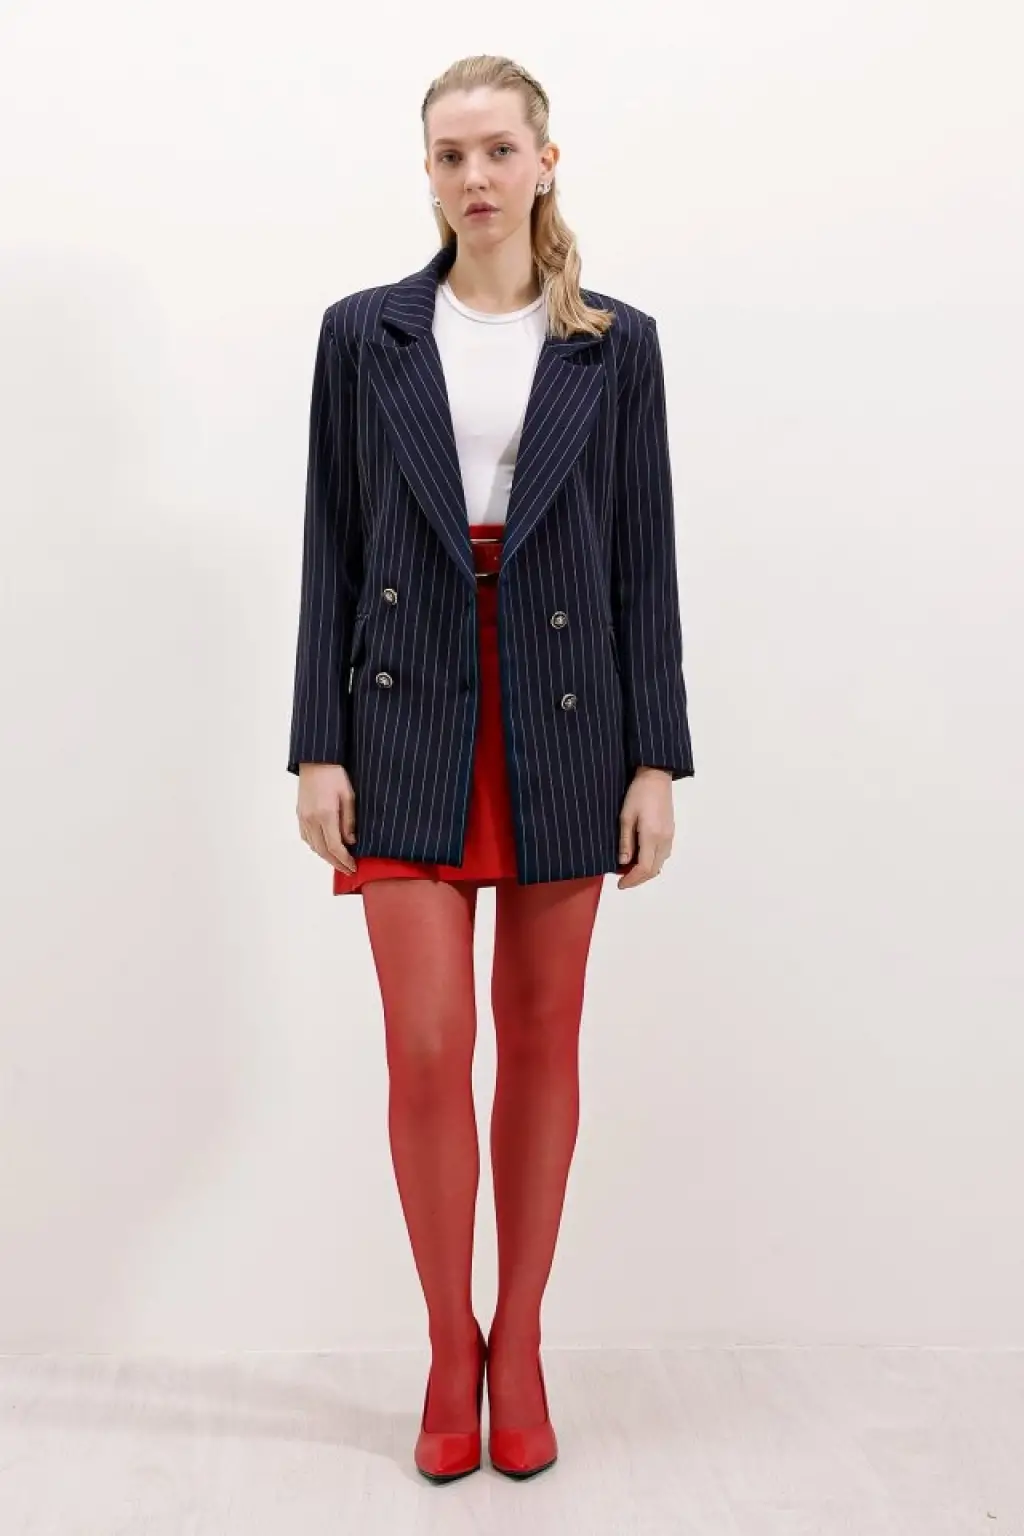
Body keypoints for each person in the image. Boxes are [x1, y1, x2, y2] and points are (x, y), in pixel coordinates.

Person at [287, 54, 694, 1483]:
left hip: (568, 713)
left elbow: (644, 555)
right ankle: (441, 1342)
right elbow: (331, 542)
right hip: (403, 711)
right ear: (428, 172)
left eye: (498, 151)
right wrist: (317, 744)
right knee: (426, 1046)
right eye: (451, 154)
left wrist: (657, 759)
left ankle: (515, 1340)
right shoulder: (366, 334)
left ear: (544, 162)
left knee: (541, 1042)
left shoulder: (615, 344)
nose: (475, 176)